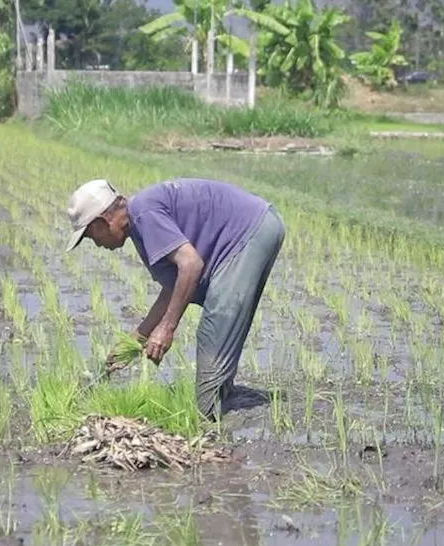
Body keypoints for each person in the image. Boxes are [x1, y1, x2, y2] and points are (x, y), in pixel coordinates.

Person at [65, 177, 285, 421]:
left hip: (249, 233)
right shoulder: (141, 222)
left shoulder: (143, 214)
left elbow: (191, 265)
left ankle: (207, 417)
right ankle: (226, 400)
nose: (95, 243)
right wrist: (134, 342)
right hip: (259, 227)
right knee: (222, 326)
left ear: (101, 221)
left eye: (89, 235)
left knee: (215, 325)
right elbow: (173, 288)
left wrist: (167, 328)